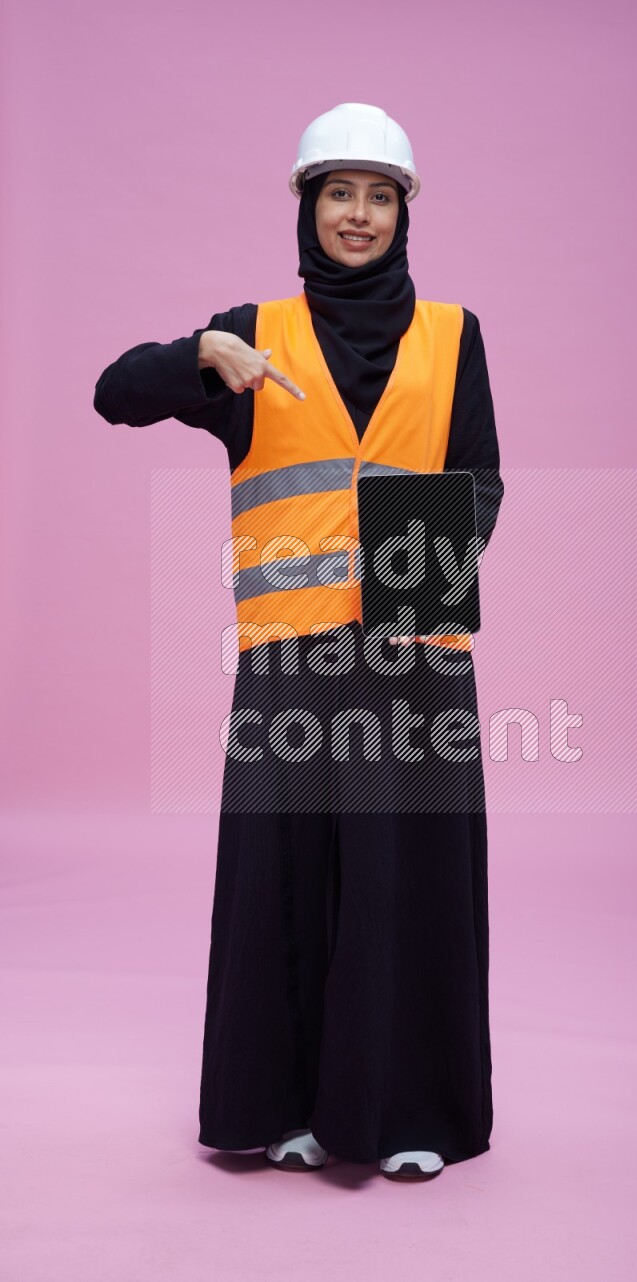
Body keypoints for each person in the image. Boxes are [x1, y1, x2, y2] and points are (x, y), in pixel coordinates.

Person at [94, 102, 504, 1182]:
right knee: (286, 882)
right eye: (338, 193)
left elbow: (481, 480)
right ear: (306, 207)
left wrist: (399, 595)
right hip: (289, 667)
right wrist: (196, 356)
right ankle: (282, 1107)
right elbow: (111, 394)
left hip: (413, 660)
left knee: (401, 884)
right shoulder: (247, 338)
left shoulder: (453, 336)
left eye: (379, 194)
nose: (358, 215)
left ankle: (405, 1113)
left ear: (402, 210)